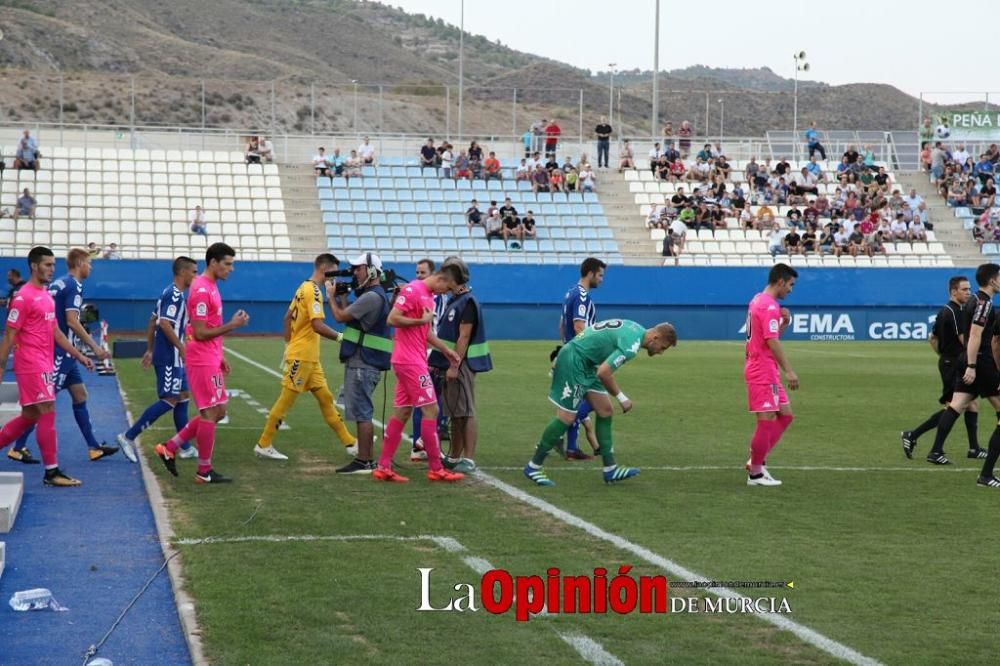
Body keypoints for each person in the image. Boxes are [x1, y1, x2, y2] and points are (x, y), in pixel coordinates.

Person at [524, 320, 677, 487]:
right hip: (575, 361)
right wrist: (621, 397)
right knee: (567, 417)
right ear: (655, 337)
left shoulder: (635, 328)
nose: (660, 352)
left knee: (605, 411)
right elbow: (604, 373)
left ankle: (610, 469)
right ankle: (534, 466)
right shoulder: (632, 344)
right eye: (662, 347)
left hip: (587, 362)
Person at [153, 243, 250, 484]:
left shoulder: (212, 287)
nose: (231, 269)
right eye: (227, 264)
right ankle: (203, 471)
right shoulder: (201, 291)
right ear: (213, 262)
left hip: (210, 356)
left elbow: (209, 330)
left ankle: (170, 447)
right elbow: (199, 332)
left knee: (218, 411)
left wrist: (220, 356)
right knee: (210, 412)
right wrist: (233, 325)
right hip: (201, 358)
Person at [9, 248, 117, 463]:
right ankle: (18, 447)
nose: (91, 268)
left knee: (80, 395)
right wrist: (94, 348)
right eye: (89, 263)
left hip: (63, 353)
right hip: (57, 353)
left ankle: (93, 447)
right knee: (43, 406)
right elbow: (71, 321)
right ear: (79, 263)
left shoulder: (60, 282)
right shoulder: (74, 286)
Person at [0, 246, 93, 485]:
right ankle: (52, 471)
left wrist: (79, 355)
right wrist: (1, 367)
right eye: (47, 265)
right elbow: (9, 335)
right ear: (34, 266)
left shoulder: (46, 296)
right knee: (48, 409)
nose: (52, 269)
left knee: (30, 416)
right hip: (31, 363)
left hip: (44, 362)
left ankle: (51, 470)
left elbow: (56, 333)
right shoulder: (23, 297)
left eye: (53, 265)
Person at [253, 254, 358, 461]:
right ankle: (263, 443)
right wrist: (341, 338)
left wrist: (287, 346)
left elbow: (286, 318)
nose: (334, 277)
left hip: (308, 357)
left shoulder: (303, 288)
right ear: (324, 269)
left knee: (326, 399)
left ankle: (350, 443)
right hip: (303, 357)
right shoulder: (313, 292)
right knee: (285, 400)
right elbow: (317, 325)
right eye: (333, 272)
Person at [373, 265, 465, 483]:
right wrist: (419, 321)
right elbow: (392, 319)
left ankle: (383, 466)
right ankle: (435, 468)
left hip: (412, 360)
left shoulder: (429, 297)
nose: (446, 292)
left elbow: (426, 332)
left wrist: (446, 350)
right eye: (447, 288)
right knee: (431, 409)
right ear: (441, 279)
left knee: (403, 412)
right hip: (410, 362)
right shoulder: (413, 291)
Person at [116, 257, 200, 463]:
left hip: (170, 356)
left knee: (182, 396)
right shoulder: (174, 295)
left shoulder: (171, 293)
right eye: (194, 272)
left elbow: (152, 321)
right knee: (170, 399)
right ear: (183, 272)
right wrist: (180, 348)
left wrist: (150, 349)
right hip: (170, 357)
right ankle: (128, 436)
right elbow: (163, 323)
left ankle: (185, 447)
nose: (196, 276)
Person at [923, 264, 1000, 469]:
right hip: (981, 361)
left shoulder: (974, 300)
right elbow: (975, 335)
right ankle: (987, 473)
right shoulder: (983, 303)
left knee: (957, 405)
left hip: (966, 358)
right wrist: (973, 366)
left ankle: (935, 451)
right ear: (992, 280)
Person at [901, 277, 983, 460]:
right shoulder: (955, 312)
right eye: (964, 289)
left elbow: (932, 338)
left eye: (969, 289)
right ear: (953, 291)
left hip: (950, 362)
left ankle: (974, 448)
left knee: (970, 404)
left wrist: (943, 356)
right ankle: (914, 436)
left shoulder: (945, 310)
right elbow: (965, 340)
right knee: (954, 406)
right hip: (955, 364)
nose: (968, 292)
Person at [330, 252, 392, 474]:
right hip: (365, 360)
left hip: (364, 362)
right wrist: (343, 297)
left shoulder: (371, 297)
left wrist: (330, 297)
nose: (355, 272)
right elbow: (349, 314)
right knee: (359, 411)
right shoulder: (374, 295)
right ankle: (364, 458)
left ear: (372, 271)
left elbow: (339, 317)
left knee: (362, 412)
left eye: (359, 268)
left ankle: (365, 460)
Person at [428, 258, 491, 473]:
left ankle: (469, 459)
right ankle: (455, 457)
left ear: (452, 279)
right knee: (455, 412)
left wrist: (454, 366)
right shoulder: (457, 301)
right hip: (453, 364)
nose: (440, 283)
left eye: (443, 278)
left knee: (466, 411)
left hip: (462, 365)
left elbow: (463, 337)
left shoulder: (467, 302)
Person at [744, 263, 800, 487]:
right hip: (762, 369)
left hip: (766, 368)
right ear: (780, 282)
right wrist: (789, 370)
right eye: (790, 285)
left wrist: (784, 320)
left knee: (785, 415)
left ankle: (755, 461)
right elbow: (772, 340)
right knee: (765, 420)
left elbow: (772, 334)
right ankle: (755, 473)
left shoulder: (759, 299)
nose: (791, 290)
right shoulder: (767, 306)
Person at [557, 257, 606, 460]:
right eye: (600, 275)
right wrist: (590, 353)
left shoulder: (570, 292)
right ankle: (559, 432)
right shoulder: (582, 296)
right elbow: (579, 326)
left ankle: (571, 448)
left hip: (571, 354)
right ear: (591, 273)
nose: (602, 279)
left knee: (577, 401)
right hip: (581, 358)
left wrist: (567, 348)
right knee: (598, 401)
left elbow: (561, 325)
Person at [409, 259, 450, 462]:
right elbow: (434, 331)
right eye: (417, 272)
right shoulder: (433, 299)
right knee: (431, 403)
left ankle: (420, 444)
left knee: (423, 403)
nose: (418, 275)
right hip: (425, 356)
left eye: (422, 272)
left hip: (418, 354)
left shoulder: (425, 295)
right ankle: (423, 444)